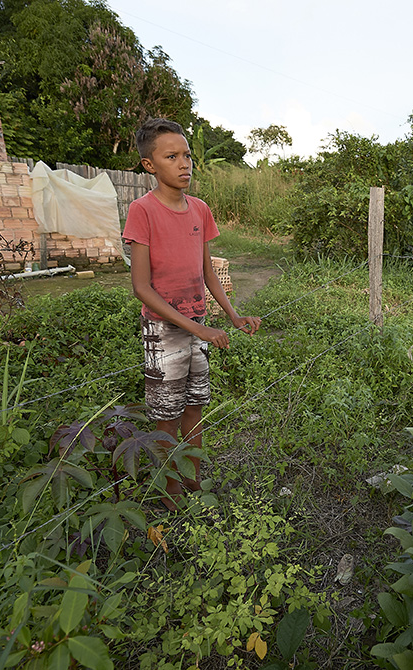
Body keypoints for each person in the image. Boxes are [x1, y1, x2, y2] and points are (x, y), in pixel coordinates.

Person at [123, 118, 261, 511]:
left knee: (195, 408)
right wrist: (198, 329)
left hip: (197, 326)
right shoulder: (142, 211)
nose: (184, 164)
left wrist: (233, 317)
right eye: (172, 156)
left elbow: (208, 273)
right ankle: (171, 497)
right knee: (166, 416)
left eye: (187, 155)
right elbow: (142, 288)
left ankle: (193, 484)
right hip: (163, 332)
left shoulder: (200, 209)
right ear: (150, 165)